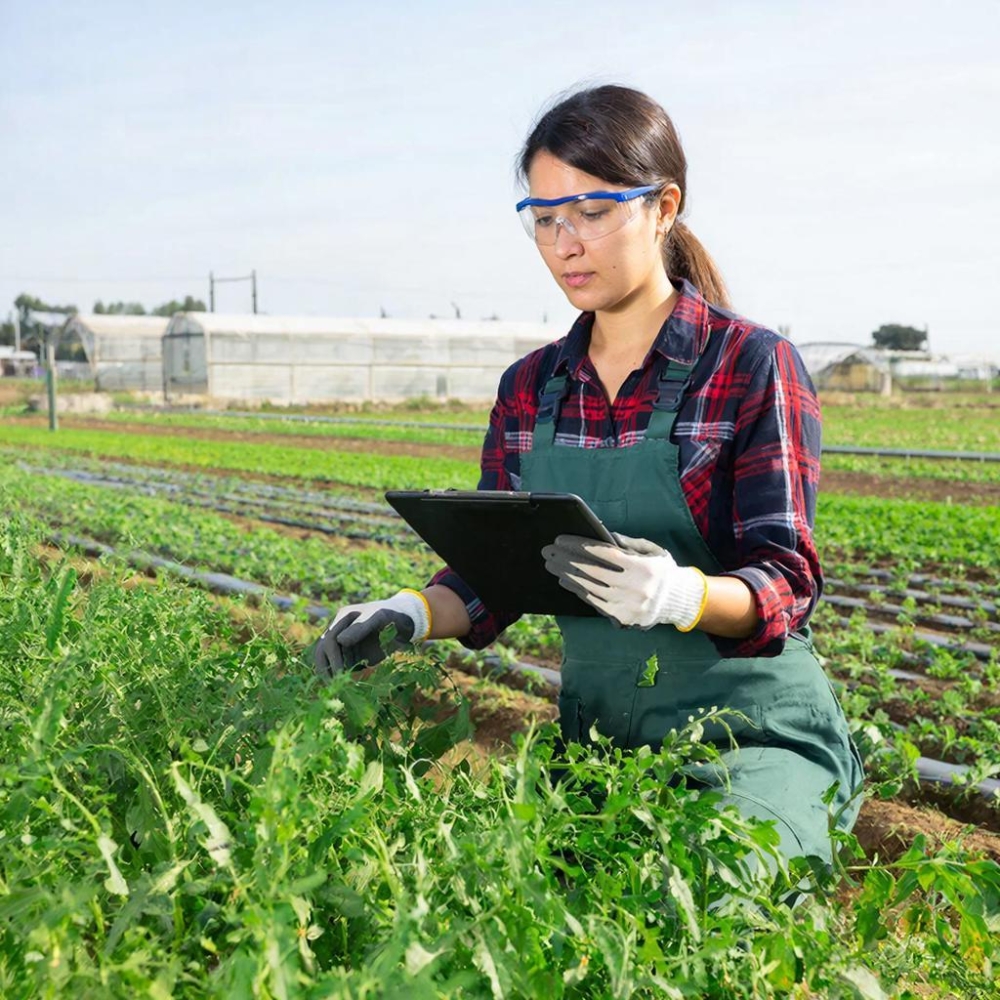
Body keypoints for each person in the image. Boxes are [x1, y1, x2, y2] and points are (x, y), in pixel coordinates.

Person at [315, 84, 864, 865]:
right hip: (604, 749)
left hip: (752, 737)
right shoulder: (531, 388)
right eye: (545, 219)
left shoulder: (748, 365)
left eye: (593, 211)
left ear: (664, 206)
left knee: (714, 898)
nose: (566, 243)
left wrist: (683, 596)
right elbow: (495, 577)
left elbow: (786, 578)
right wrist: (407, 612)